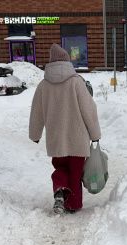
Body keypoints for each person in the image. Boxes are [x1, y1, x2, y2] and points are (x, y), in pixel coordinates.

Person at [29, 44, 101, 214]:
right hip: (78, 138)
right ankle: (73, 204)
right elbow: (89, 109)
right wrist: (95, 134)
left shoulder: (43, 85)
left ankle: (60, 190)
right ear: (67, 61)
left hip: (56, 139)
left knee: (60, 167)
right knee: (76, 172)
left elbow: (36, 112)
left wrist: (35, 134)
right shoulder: (76, 82)